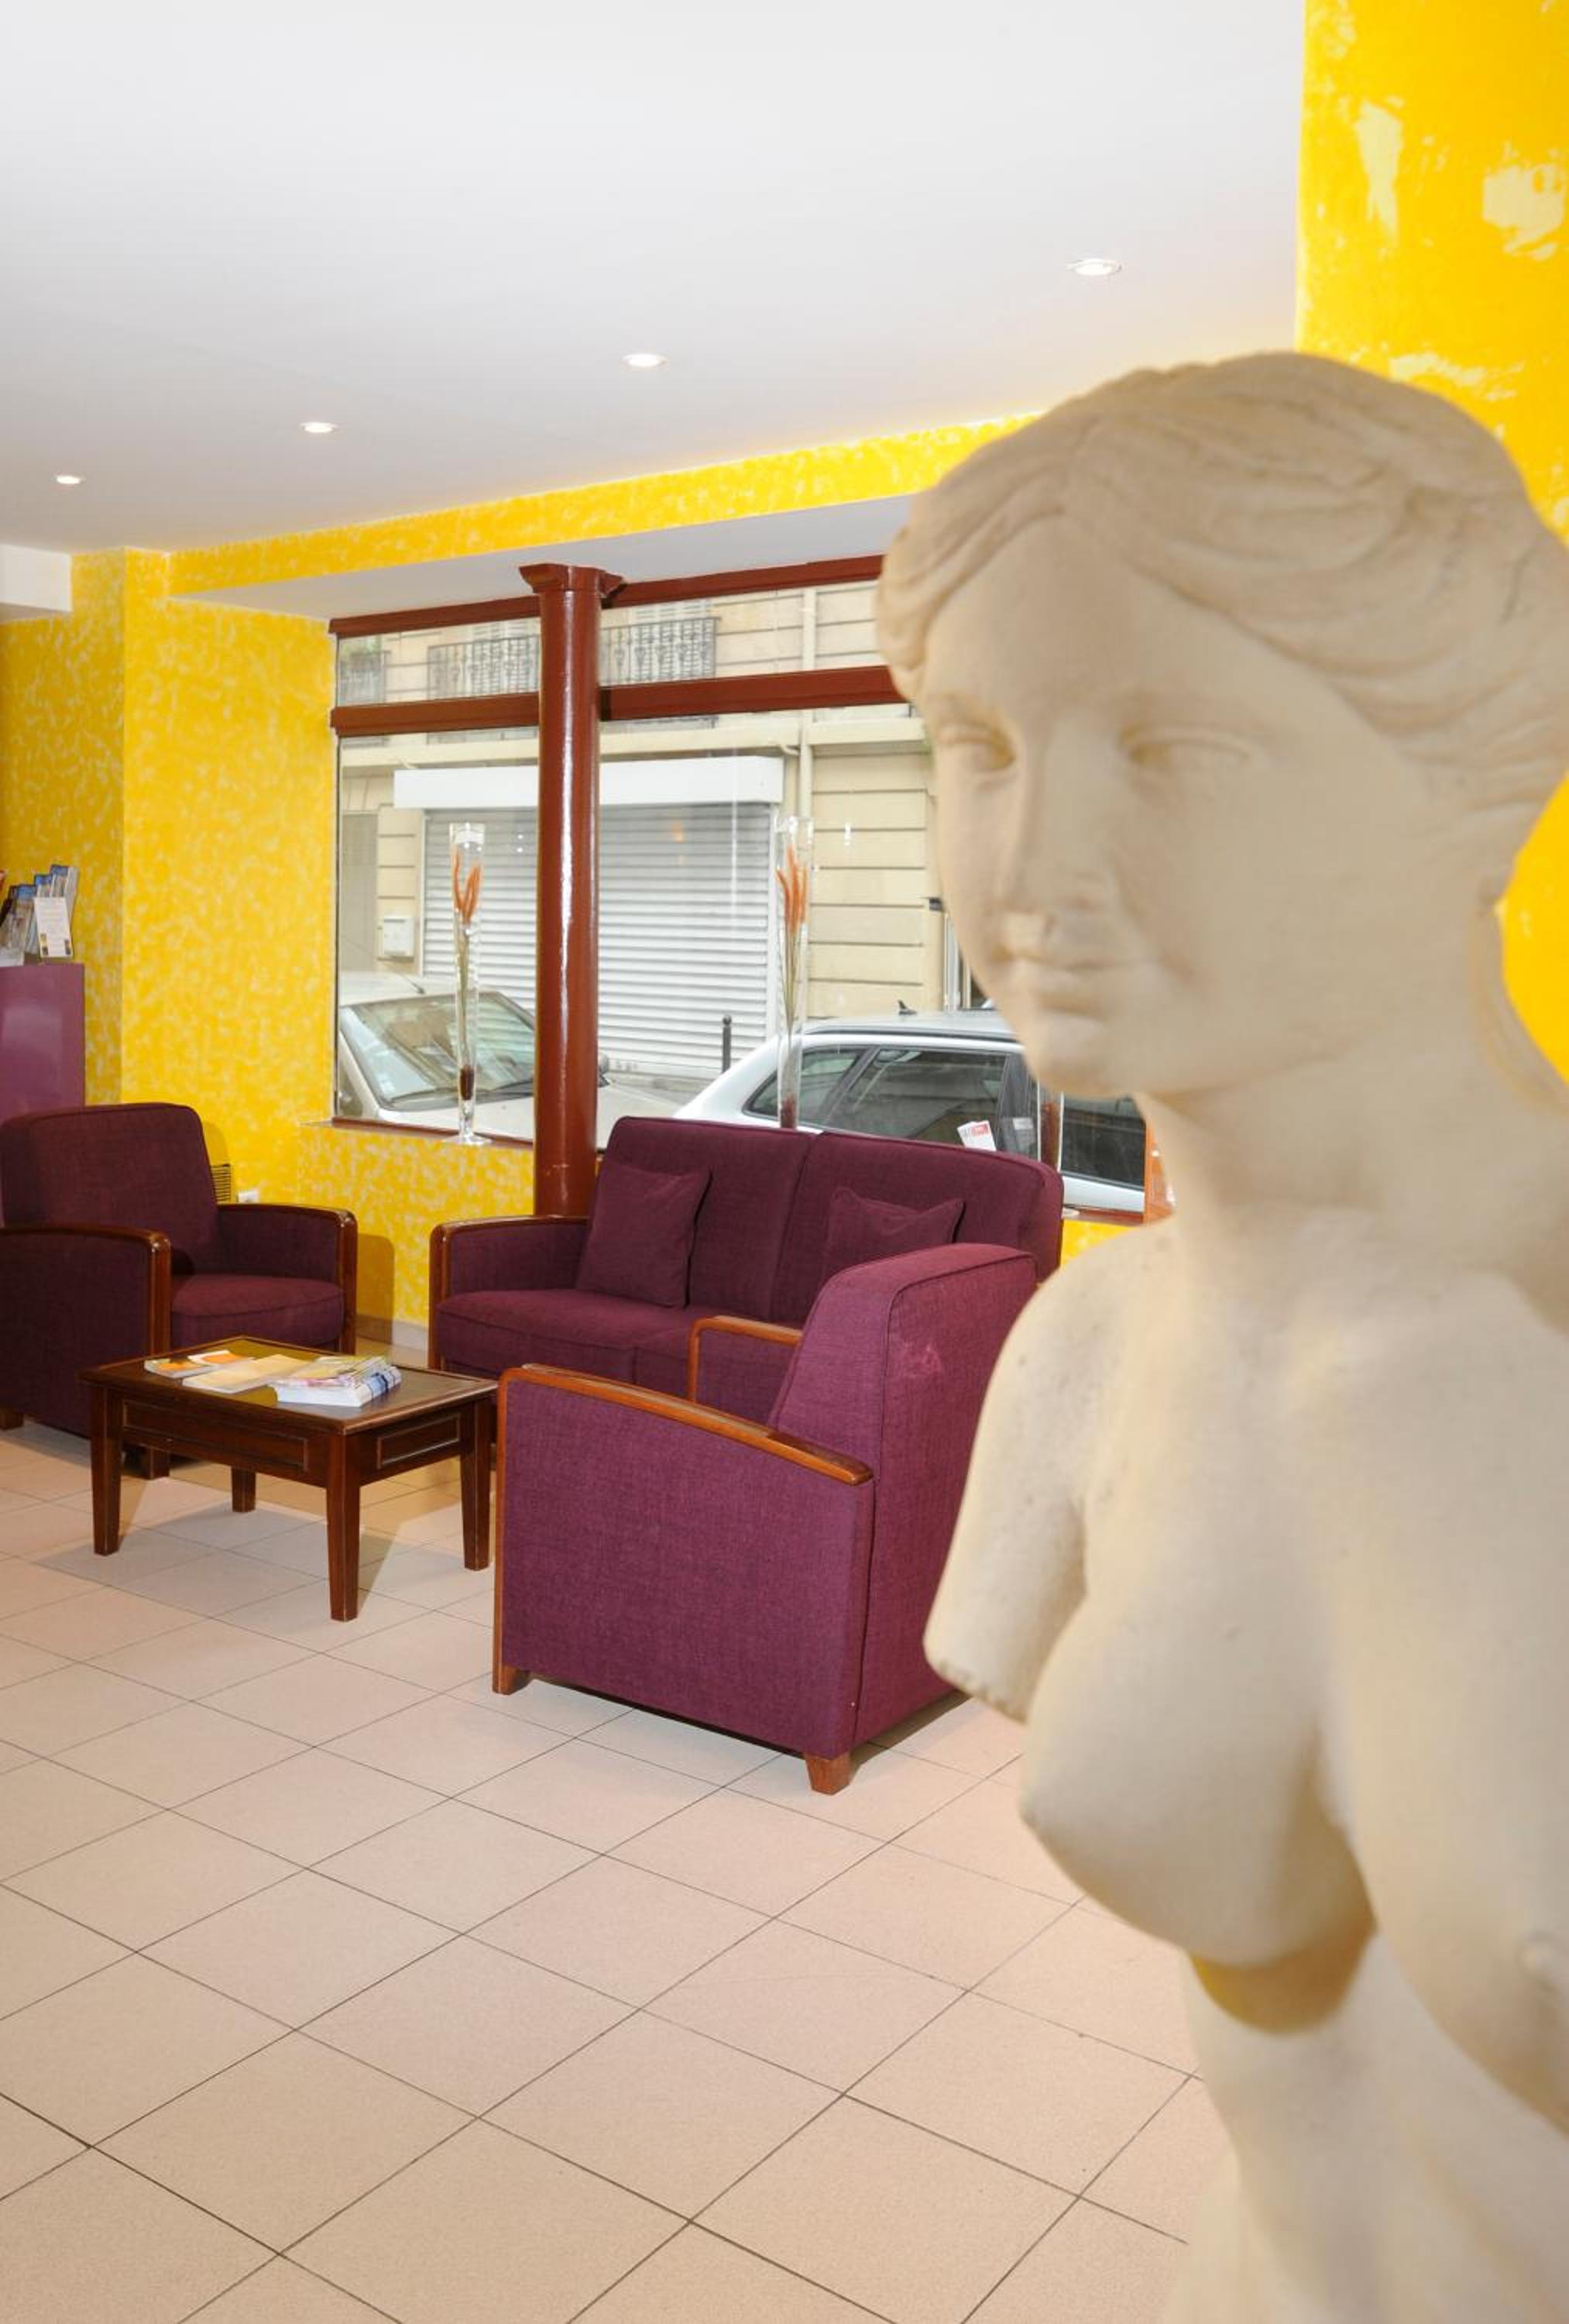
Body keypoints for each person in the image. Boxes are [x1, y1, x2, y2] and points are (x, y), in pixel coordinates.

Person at [876, 352, 1569, 2322]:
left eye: (1173, 748)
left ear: (1476, 787)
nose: (1029, 872)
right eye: (978, 747)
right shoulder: (1083, 1354)